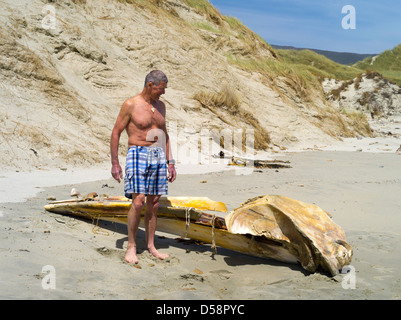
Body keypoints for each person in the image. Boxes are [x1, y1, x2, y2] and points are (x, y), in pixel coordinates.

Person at [110, 70, 176, 264]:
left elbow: (165, 135)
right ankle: (131, 247)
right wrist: (115, 163)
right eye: (160, 89)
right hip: (137, 153)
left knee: (154, 203)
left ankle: (151, 245)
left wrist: (170, 162)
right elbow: (116, 132)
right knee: (138, 201)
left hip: (158, 156)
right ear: (150, 85)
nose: (163, 93)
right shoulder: (131, 104)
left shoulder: (161, 106)